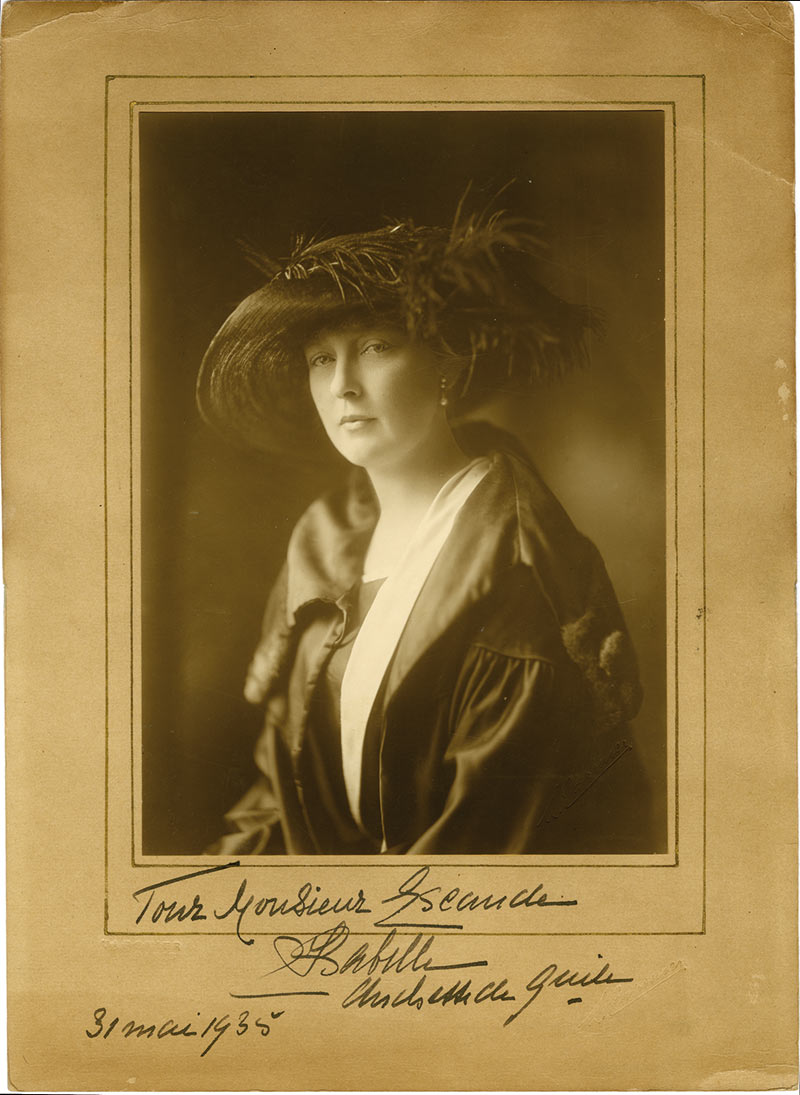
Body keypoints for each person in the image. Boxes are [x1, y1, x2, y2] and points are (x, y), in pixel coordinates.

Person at [196, 207, 653, 855]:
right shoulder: (321, 549)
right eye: (321, 358)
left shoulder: (518, 577)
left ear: (448, 365)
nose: (343, 386)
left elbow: (484, 844)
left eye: (376, 348)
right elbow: (280, 794)